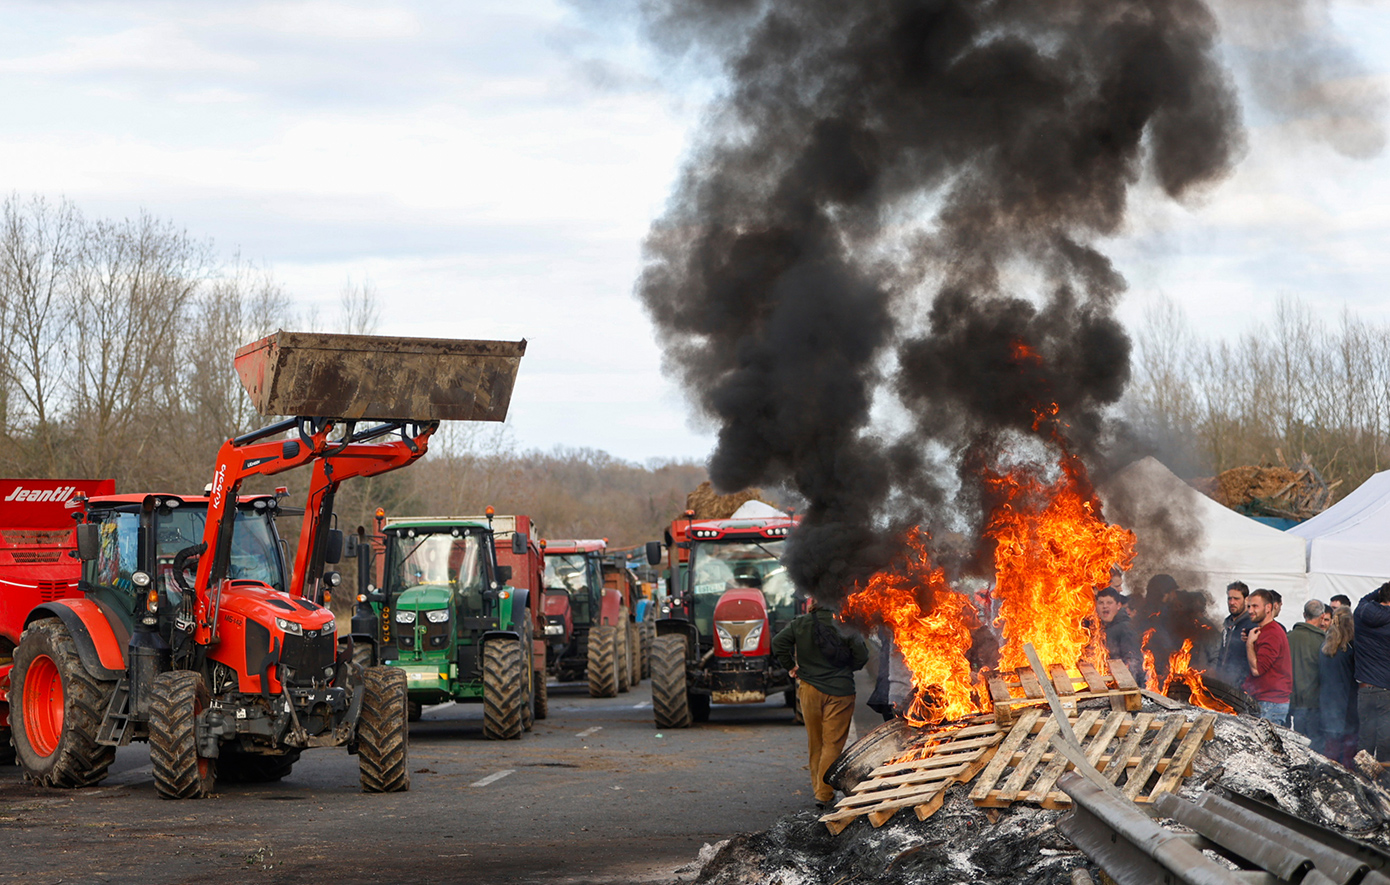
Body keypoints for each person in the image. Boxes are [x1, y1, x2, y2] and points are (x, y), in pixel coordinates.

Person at [771, 599, 869, 808]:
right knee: (832, 743)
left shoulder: (801, 623)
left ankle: (818, 788)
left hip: (809, 689)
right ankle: (823, 794)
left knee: (815, 742)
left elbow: (778, 642)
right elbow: (862, 655)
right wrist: (847, 669)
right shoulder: (845, 623)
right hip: (840, 691)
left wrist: (791, 666)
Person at [1244, 589, 1293, 724]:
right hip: (1266, 701)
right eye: (1249, 606)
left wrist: (1249, 644)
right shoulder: (1263, 631)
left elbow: (1257, 670)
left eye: (1255, 606)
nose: (1250, 610)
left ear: (1268, 608)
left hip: (1270, 704)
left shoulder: (1272, 633)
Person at [1354, 582, 1390, 762]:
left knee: (1365, 741)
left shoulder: (1360, 612)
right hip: (1386, 691)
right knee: (1386, 743)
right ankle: (1384, 786)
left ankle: (1360, 783)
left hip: (1364, 688)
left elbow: (1364, 598)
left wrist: (1381, 591)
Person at [1320, 606, 1358, 766]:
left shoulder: (1324, 648)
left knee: (1330, 748)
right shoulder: (1351, 648)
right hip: (1347, 704)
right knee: (1348, 749)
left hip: (1327, 702)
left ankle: (1327, 777)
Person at [1288, 599, 1327, 743]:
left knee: (1298, 745)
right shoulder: (1322, 642)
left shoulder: (1289, 637)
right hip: (1313, 704)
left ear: (1304, 614)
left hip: (1293, 701)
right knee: (1314, 747)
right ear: (1322, 617)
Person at [1095, 587, 1144, 681]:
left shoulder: (1126, 628)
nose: (1105, 606)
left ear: (1118, 606)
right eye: (1101, 603)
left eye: (1109, 603)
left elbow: (1133, 661)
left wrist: (1128, 688)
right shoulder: (1096, 628)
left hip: (1121, 686)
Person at [1216, 582, 1252, 686]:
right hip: (1223, 682)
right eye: (1229, 598)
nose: (1232, 602)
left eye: (1236, 599)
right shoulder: (1227, 624)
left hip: (1242, 686)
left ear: (1246, 600)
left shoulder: (1251, 624)